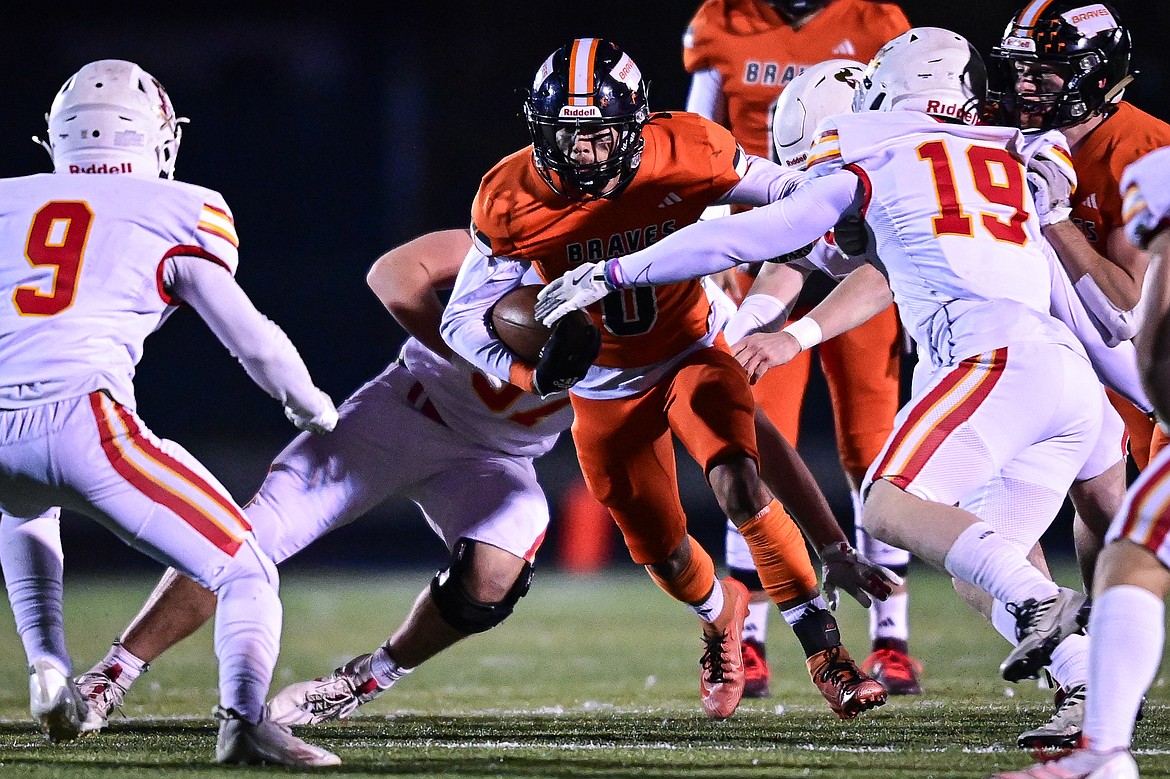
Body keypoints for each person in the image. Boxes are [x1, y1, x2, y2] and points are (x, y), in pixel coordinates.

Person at [535, 28, 1110, 721]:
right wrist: (765, 331)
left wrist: (614, 271)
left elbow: (754, 237)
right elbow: (850, 261)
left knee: (888, 505)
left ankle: (1043, 607)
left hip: (991, 357)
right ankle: (1086, 688)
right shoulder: (1011, 144)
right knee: (986, 565)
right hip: (1068, 376)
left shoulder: (869, 150)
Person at [442, 37, 894, 722]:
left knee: (738, 477)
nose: (583, 153)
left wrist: (840, 206)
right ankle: (720, 615)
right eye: (566, 136)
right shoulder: (509, 193)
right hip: (599, 382)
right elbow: (463, 319)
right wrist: (528, 372)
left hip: (691, 346)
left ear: (634, 126)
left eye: (597, 135)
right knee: (659, 546)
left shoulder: (688, 147)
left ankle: (826, 652)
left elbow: (781, 187)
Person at [68, 229, 575, 730]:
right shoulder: (522, 234)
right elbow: (394, 274)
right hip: (403, 412)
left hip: (500, 456)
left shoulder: (649, 313)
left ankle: (364, 681)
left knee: (492, 577)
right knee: (242, 539)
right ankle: (112, 674)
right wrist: (473, 350)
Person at [0, 60, 340, 766]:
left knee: (24, 508)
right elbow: (253, 339)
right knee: (243, 567)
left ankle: (50, 666)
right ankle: (246, 720)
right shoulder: (180, 207)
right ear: (156, 138)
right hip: (83, 421)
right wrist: (311, 406)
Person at [681, 0, 920, 698]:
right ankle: (747, 633)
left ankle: (892, 634)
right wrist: (715, 248)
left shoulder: (878, 18)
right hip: (767, 244)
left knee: (871, 445)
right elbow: (699, 142)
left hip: (860, 234)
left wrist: (916, 268)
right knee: (747, 443)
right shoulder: (720, 20)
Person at [985, 0, 1170, 745]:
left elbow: (1127, 305)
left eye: (1048, 71)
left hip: (1145, 362)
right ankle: (1087, 679)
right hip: (1063, 356)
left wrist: (1056, 218)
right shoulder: (1014, 141)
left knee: (1124, 534)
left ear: (1098, 78)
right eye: (1021, 71)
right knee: (1040, 518)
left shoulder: (1145, 149)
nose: (1028, 87)